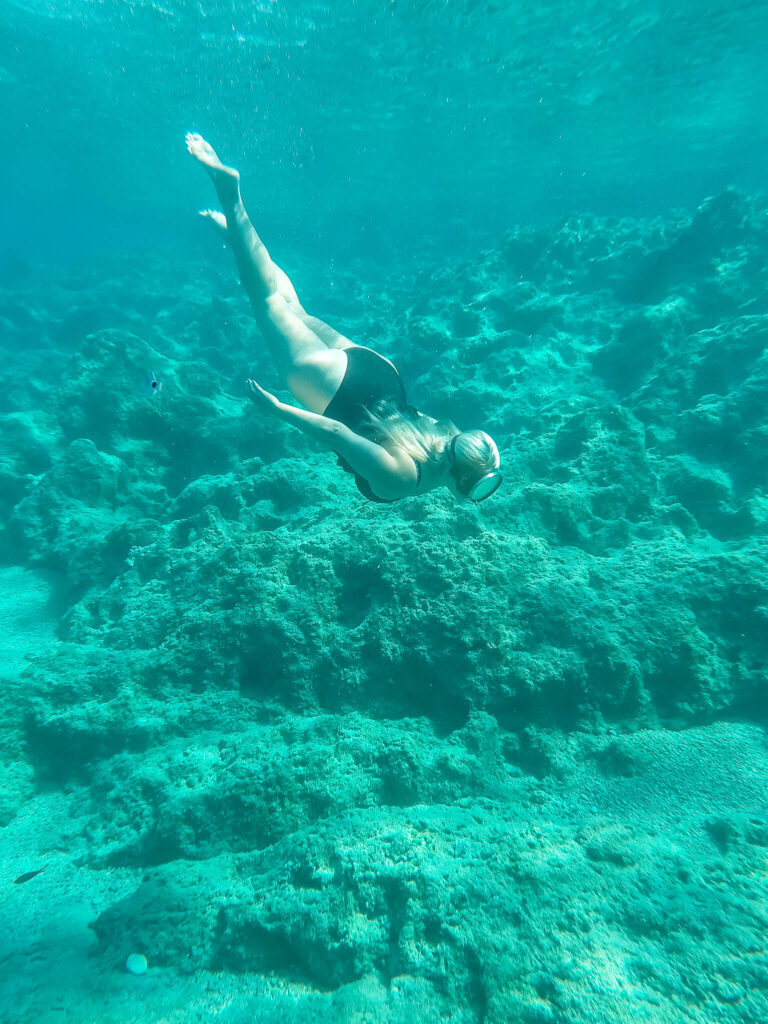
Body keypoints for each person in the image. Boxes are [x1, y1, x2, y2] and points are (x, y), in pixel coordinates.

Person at [186, 133, 502, 504]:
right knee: (267, 299)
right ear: (465, 485)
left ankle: (240, 241)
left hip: (380, 372)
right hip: (331, 389)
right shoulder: (405, 479)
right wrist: (277, 409)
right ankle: (231, 196)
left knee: (293, 308)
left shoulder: (447, 437)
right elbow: (336, 433)